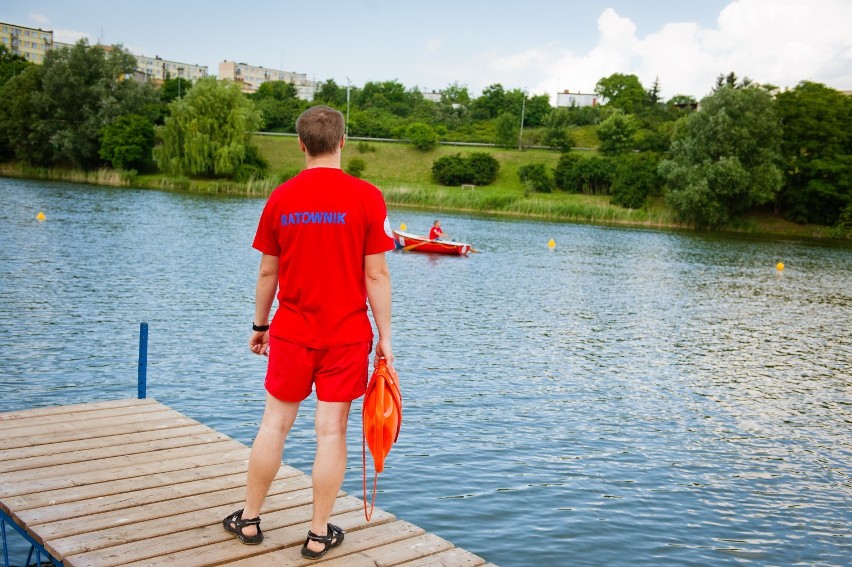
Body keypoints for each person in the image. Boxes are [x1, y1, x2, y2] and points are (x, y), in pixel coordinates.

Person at [223, 105, 395, 560]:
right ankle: (318, 534)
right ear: (343, 142)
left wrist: (261, 326)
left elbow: (267, 273)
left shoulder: (281, 197)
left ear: (300, 144)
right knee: (330, 432)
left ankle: (251, 520)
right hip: (347, 334)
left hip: (292, 331)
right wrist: (386, 338)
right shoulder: (367, 197)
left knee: (274, 425)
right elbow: (376, 276)